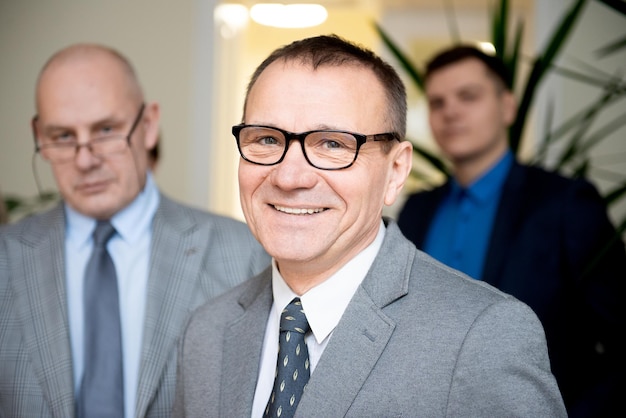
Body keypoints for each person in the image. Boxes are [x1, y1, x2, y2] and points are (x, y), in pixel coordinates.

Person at [172, 34, 566, 417]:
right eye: (267, 139)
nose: (289, 177)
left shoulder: (485, 337)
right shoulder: (206, 331)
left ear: (396, 171)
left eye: (332, 144)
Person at [0, 44, 270, 418]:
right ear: (38, 136)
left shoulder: (245, 253)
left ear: (148, 125)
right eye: (62, 136)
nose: (85, 159)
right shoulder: (5, 259)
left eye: (106, 130)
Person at [396, 45, 626, 417]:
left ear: (507, 107)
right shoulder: (417, 210)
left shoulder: (566, 203)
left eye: (467, 96)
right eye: (437, 102)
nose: (450, 111)